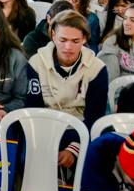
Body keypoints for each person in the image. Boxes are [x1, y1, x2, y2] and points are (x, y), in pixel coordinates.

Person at [26, 10, 108, 173]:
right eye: (62, 40)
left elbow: (95, 116)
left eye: (75, 41)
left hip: (78, 128)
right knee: (26, 157)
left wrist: (74, 148)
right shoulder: (36, 62)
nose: (68, 47)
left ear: (84, 39)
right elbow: (32, 108)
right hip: (44, 126)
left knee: (93, 161)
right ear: (53, 36)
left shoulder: (97, 69)